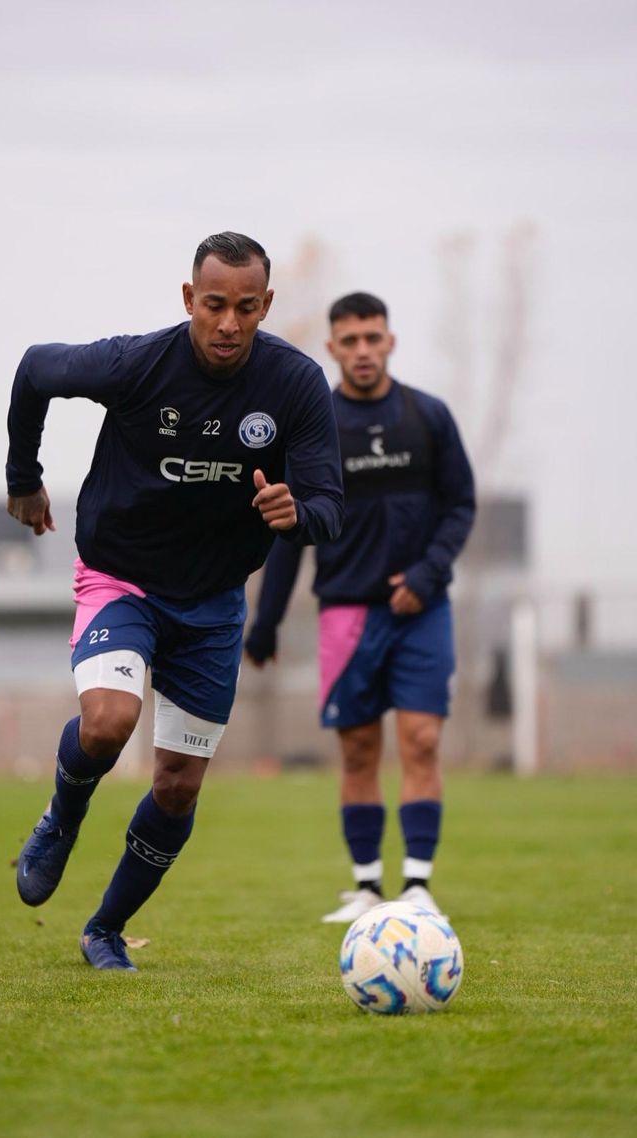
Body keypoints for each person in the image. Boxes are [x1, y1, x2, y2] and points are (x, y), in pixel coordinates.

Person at [6, 232, 344, 970]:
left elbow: (328, 506)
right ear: (189, 298)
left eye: (245, 308)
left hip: (214, 604)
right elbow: (36, 369)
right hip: (120, 578)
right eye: (214, 305)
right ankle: (63, 816)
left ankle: (104, 929)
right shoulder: (136, 363)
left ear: (266, 306)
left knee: (179, 785)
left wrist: (299, 512)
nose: (228, 323)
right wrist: (22, 476)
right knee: (108, 723)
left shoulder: (295, 386)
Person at [244, 292, 475, 923]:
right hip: (345, 611)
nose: (363, 351)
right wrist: (263, 624)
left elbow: (460, 506)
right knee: (358, 751)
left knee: (423, 740)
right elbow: (292, 530)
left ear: (390, 342)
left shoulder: (428, 417)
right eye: (350, 341)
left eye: (373, 338)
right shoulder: (318, 428)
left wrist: (428, 574)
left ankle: (419, 885)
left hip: (421, 610)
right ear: (333, 348)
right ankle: (369, 886)